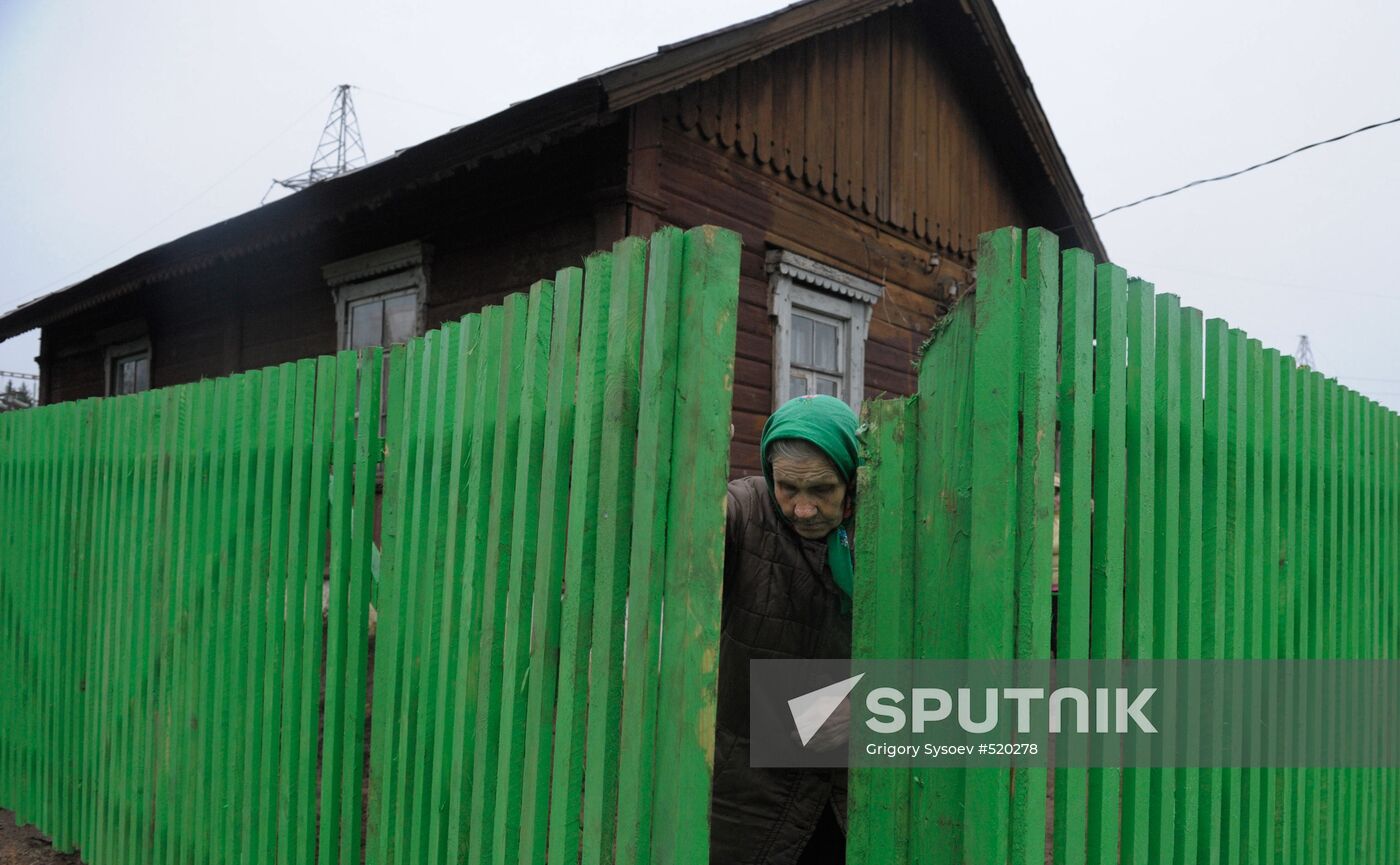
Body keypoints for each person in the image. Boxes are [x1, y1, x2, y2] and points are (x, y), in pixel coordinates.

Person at [710, 394, 857, 865]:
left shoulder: (893, 528)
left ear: (854, 480)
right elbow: (688, 528)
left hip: (848, 787)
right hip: (752, 783)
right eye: (788, 487)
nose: (802, 509)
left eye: (822, 490)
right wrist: (694, 469)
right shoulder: (747, 509)